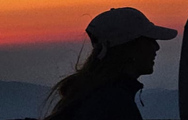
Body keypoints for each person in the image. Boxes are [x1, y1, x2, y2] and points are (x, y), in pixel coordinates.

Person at [43, 7, 177, 120]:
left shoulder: (88, 96)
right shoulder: (113, 103)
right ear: (129, 48)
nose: (156, 47)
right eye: (148, 40)